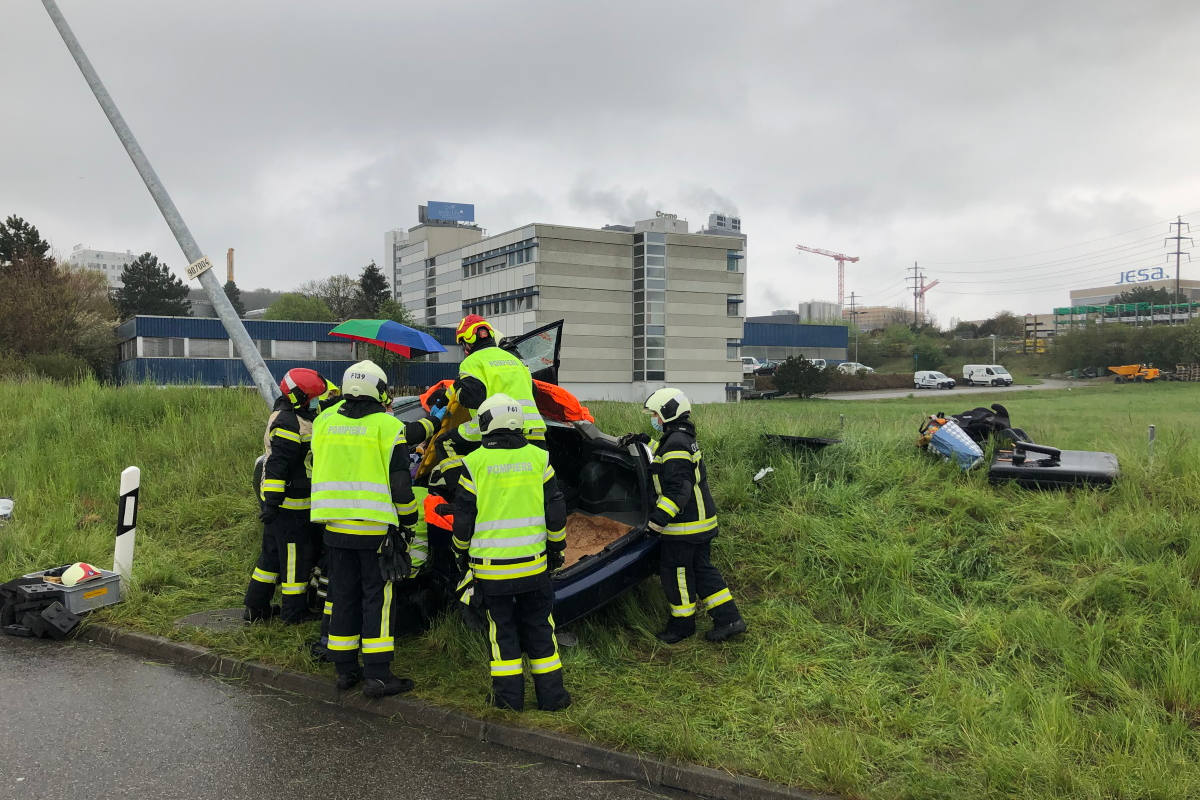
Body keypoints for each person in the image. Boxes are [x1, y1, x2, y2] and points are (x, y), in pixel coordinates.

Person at [452, 393, 570, 711]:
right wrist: (556, 548)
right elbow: (555, 510)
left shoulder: (474, 464)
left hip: (491, 572)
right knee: (541, 628)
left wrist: (459, 553)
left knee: (501, 631)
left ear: (489, 424)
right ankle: (553, 698)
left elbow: (463, 519)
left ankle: (508, 700)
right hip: (534, 567)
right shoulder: (539, 459)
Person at [310, 360, 418, 697]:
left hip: (335, 528)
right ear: (380, 390)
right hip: (374, 532)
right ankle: (378, 675)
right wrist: (409, 519)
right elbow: (401, 485)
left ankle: (345, 671)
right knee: (378, 599)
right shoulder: (388, 426)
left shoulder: (324, 421)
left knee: (342, 596)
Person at [626, 388, 747, 644]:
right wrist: (644, 441)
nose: (655, 420)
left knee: (676, 573)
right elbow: (664, 457)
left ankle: (682, 626)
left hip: (684, 527)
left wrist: (657, 521)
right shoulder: (679, 438)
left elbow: (677, 488)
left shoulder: (677, 444)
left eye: (656, 415)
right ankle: (729, 619)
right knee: (703, 570)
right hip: (701, 523)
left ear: (668, 413)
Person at [244, 368, 336, 624]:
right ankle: (293, 614)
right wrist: (273, 503)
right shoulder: (287, 422)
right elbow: (277, 467)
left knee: (271, 557)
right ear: (298, 397)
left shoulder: (296, 415)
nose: (316, 402)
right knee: (296, 560)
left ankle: (255, 607)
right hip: (290, 507)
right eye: (313, 398)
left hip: (286, 507)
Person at [443, 314, 546, 456]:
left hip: (497, 431)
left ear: (468, 341)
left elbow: (472, 399)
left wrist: (459, 386)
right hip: (535, 431)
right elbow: (533, 391)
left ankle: (464, 479)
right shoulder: (515, 359)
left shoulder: (472, 362)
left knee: (444, 442)